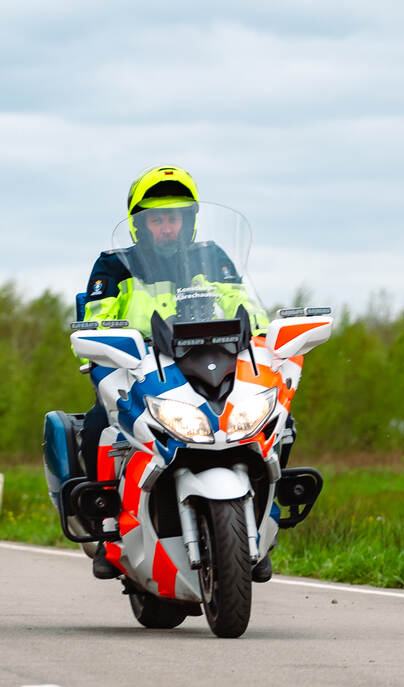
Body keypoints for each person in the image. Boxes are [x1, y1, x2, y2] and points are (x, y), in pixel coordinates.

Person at [77, 165, 271, 582]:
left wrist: (261, 332)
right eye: (157, 219)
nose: (167, 227)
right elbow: (95, 320)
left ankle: (262, 519)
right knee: (99, 425)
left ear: (189, 220)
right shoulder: (114, 266)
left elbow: (248, 308)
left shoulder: (213, 257)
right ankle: (106, 529)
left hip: (208, 359)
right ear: (140, 225)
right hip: (140, 365)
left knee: (271, 418)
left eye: (174, 217)